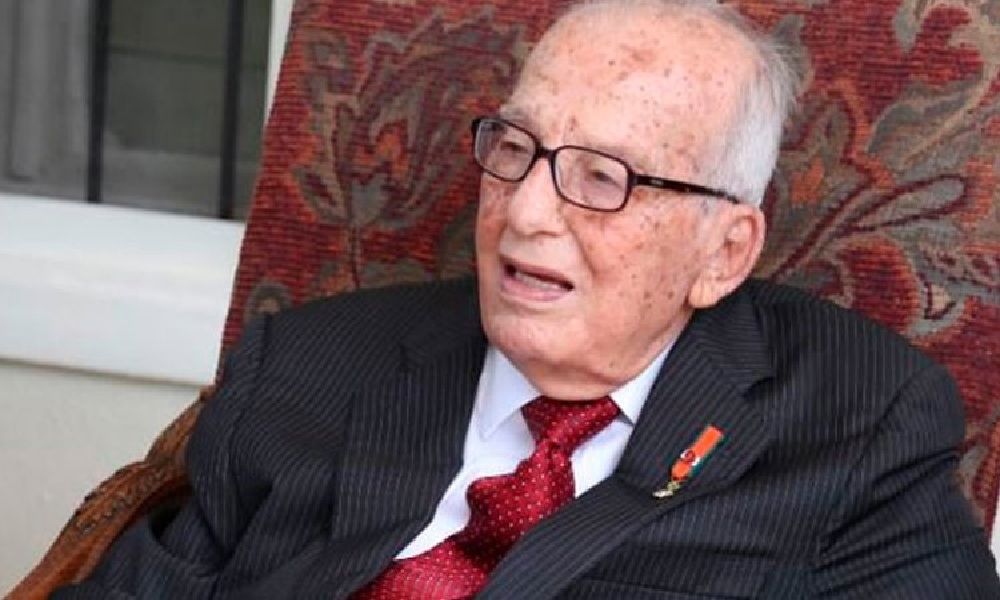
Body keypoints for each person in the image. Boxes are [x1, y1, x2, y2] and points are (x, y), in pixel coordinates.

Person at [54, 0, 1000, 598]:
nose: (526, 212)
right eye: (515, 148)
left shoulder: (859, 422)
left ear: (723, 253)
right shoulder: (303, 364)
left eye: (604, 177)